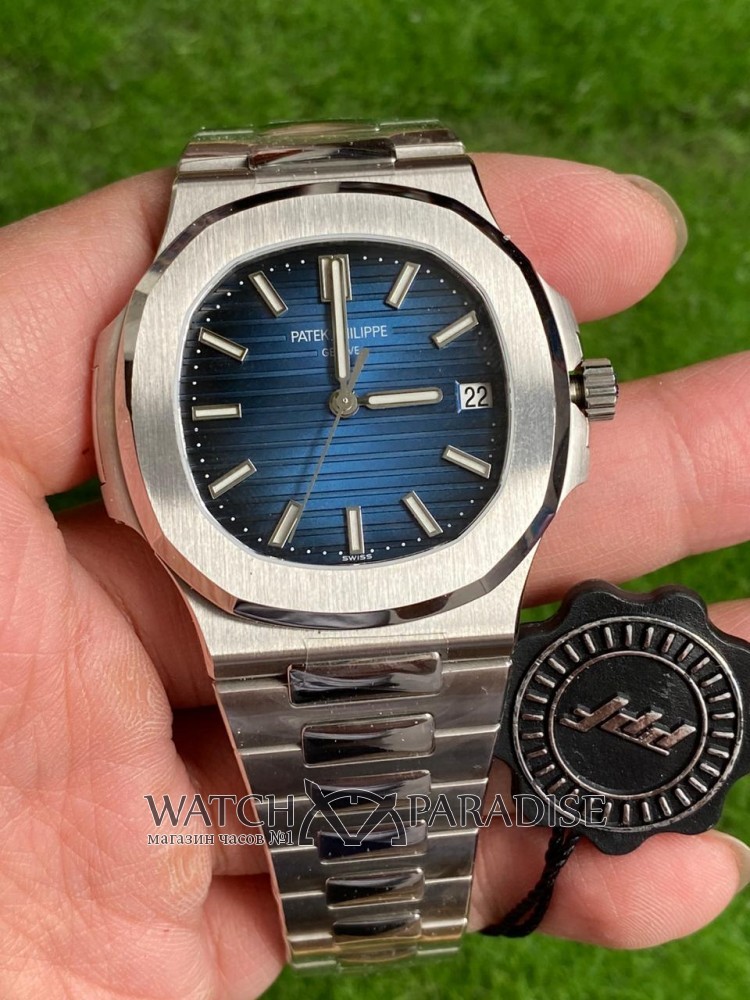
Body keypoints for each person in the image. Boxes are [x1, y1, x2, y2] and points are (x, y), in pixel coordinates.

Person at [0, 153, 747, 998]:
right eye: (342, 398)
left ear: (577, 395)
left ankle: (372, 920)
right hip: (257, 594)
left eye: (354, 393)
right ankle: (361, 919)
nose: (345, 402)